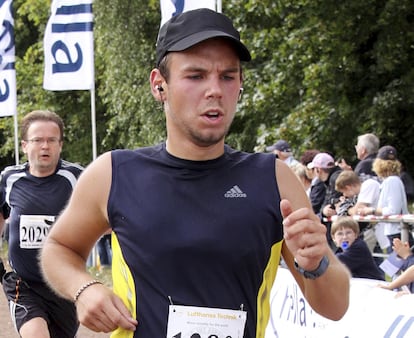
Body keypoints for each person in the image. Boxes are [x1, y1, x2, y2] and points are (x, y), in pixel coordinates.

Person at [40, 8, 350, 337]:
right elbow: (58, 249)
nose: (214, 90)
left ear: (240, 85)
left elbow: (335, 306)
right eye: (196, 75)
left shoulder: (274, 178)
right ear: (159, 85)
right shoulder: (114, 173)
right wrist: (84, 288)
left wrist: (316, 264)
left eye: (228, 76)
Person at [0, 110, 83, 338]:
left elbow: (104, 214)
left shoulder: (77, 177)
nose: (45, 146)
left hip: (64, 285)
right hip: (24, 284)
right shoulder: (9, 179)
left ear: (60, 144)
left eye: (51, 140)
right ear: (25, 145)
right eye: (38, 140)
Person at [359, 146, 411, 253]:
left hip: (397, 232)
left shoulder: (392, 182)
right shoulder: (392, 181)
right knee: (394, 267)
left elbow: (393, 211)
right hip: (395, 231)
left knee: (395, 267)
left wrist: (371, 210)